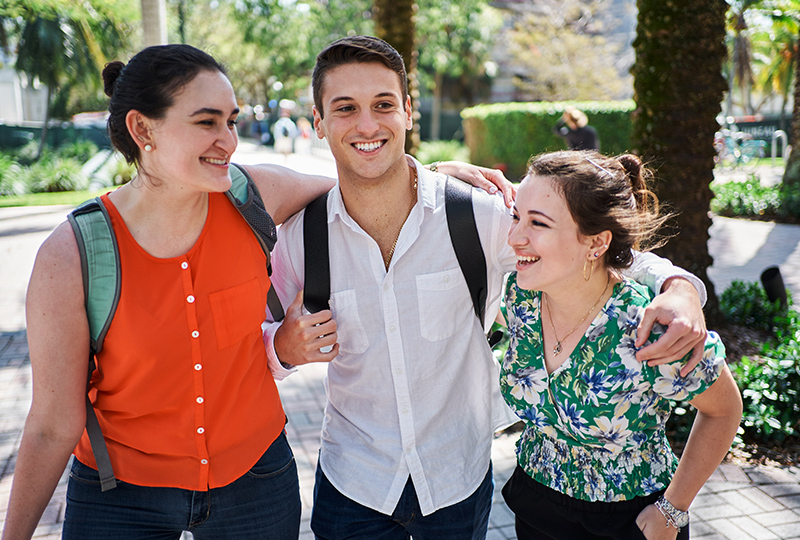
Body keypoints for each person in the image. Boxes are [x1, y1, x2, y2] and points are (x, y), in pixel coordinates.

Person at [1, 44, 515, 540]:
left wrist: (433, 178)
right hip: (123, 492)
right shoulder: (75, 253)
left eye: (231, 120)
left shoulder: (252, 199)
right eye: (207, 122)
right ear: (142, 129)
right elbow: (51, 424)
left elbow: (363, 175)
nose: (228, 139)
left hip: (255, 483)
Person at [264, 35, 711, 540]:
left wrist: (679, 287)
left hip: (456, 482)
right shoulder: (300, 239)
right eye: (345, 108)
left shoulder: (474, 214)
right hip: (352, 486)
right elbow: (246, 350)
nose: (367, 124)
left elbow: (586, 247)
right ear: (318, 121)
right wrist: (281, 348)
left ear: (408, 111)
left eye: (383, 104)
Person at [501, 150, 742, 540]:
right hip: (534, 503)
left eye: (538, 223)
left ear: (596, 244)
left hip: (630, 521)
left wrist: (672, 509)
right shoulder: (521, 298)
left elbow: (724, 410)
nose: (514, 237)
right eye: (516, 217)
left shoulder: (649, 326)